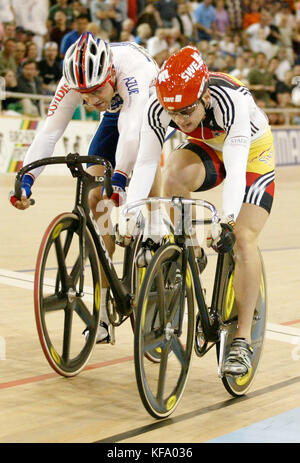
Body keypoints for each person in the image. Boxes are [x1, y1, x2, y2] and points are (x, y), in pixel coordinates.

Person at [122, 46, 275, 377]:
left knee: (244, 239)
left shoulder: (230, 100)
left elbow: (235, 172)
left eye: (186, 111)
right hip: (209, 146)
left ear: (205, 94)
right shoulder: (160, 105)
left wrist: (228, 221)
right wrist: (131, 211)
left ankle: (242, 339)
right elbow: (148, 162)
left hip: (250, 153)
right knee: (174, 172)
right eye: (172, 113)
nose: (179, 119)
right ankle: (186, 249)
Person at [10, 32, 160, 344]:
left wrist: (120, 180)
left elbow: (132, 133)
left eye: (94, 92)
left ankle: (157, 228)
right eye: (84, 95)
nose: (90, 101)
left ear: (110, 74)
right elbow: (49, 132)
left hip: (146, 107)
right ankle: (104, 303)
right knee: (96, 198)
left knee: (144, 159)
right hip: (117, 111)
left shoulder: (131, 71)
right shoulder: (75, 82)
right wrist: (27, 179)